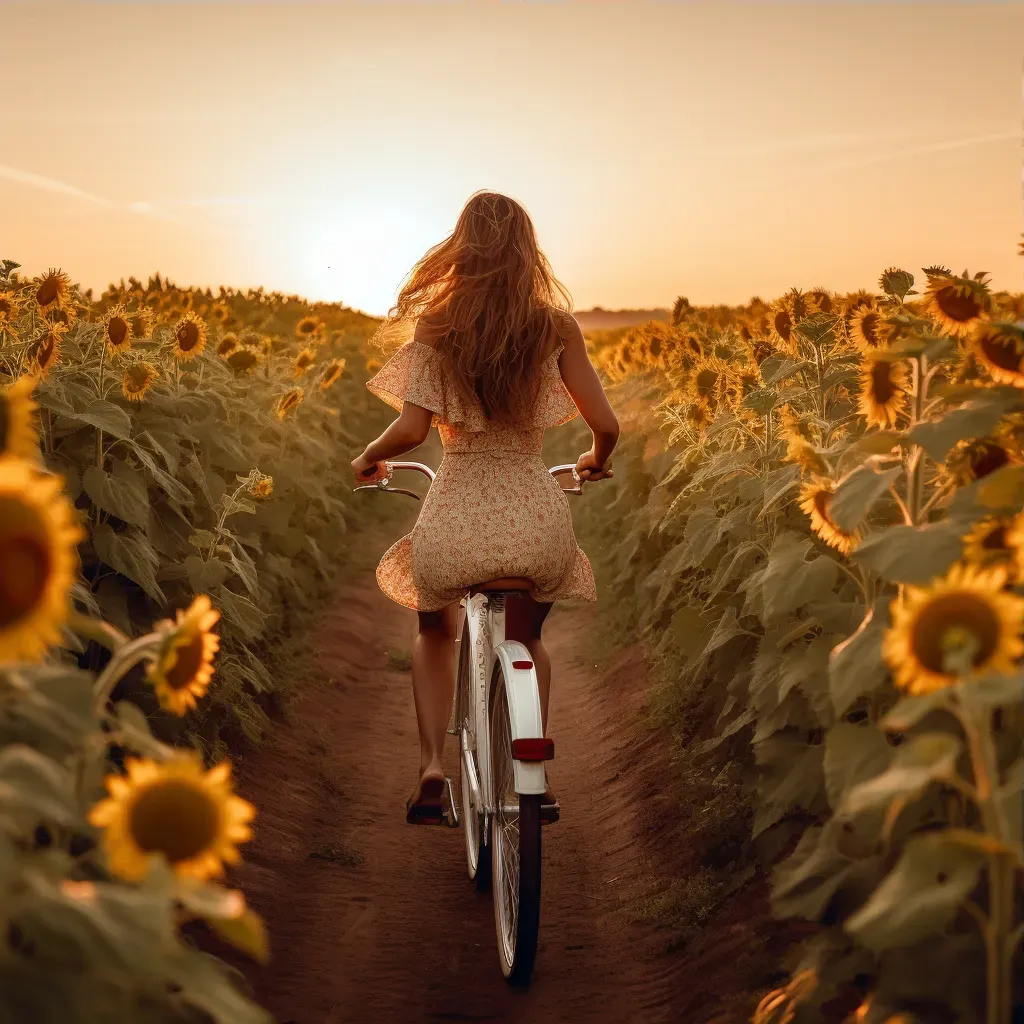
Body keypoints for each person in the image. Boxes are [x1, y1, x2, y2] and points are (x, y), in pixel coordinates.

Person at [351, 190, 619, 823]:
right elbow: (605, 425)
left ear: (459, 249)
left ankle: (431, 768)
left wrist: (368, 455)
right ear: (529, 252)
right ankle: (535, 769)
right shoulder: (556, 326)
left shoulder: (437, 326)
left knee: (432, 625)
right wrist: (594, 461)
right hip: (533, 513)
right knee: (528, 635)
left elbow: (413, 432)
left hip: (457, 511)